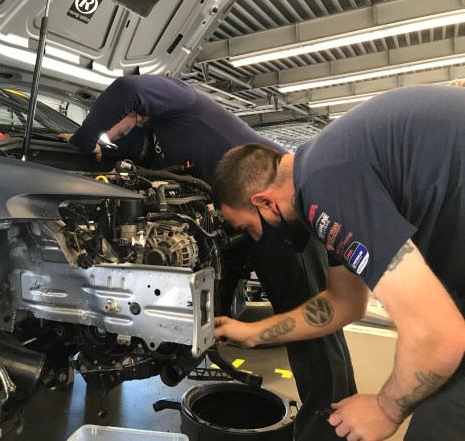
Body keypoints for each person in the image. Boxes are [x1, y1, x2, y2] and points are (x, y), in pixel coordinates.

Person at [63, 74, 357, 440]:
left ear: (136, 113)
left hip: (280, 215)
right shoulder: (154, 149)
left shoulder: (180, 102)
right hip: (244, 227)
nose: (114, 134)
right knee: (309, 332)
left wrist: (83, 139)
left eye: (116, 127)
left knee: (312, 334)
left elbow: (126, 89)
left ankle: (331, 430)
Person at [211, 84, 465, 441]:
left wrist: (385, 409)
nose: (257, 240)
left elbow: (439, 336)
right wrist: (252, 333)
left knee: (438, 426)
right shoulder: (322, 177)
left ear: (264, 202)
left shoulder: (324, 185)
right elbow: (344, 302)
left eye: (248, 229)